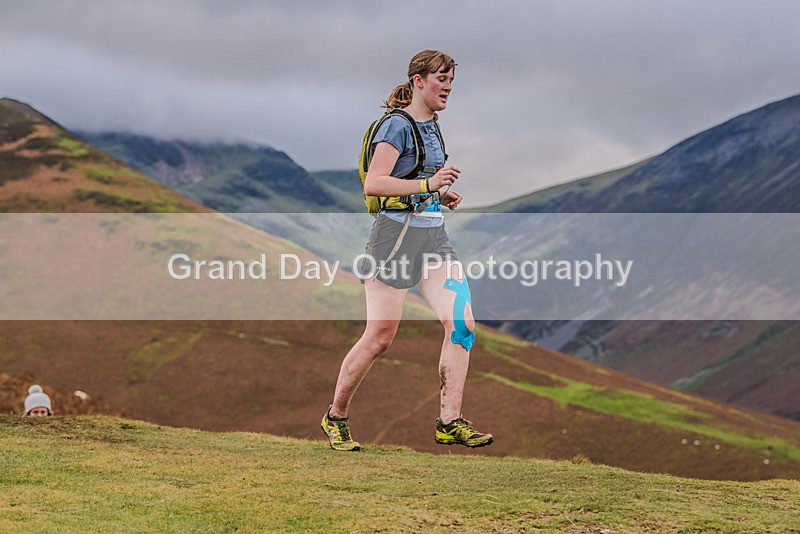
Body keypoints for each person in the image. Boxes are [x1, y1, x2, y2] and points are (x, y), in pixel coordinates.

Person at [321, 49, 493, 451]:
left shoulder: (434, 126)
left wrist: (439, 196)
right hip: (393, 241)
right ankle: (336, 417)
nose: (448, 87)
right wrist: (428, 187)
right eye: (441, 79)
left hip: (433, 238)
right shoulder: (395, 127)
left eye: (452, 80)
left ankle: (449, 421)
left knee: (463, 325)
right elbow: (375, 184)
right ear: (418, 81)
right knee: (380, 338)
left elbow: (416, 181)